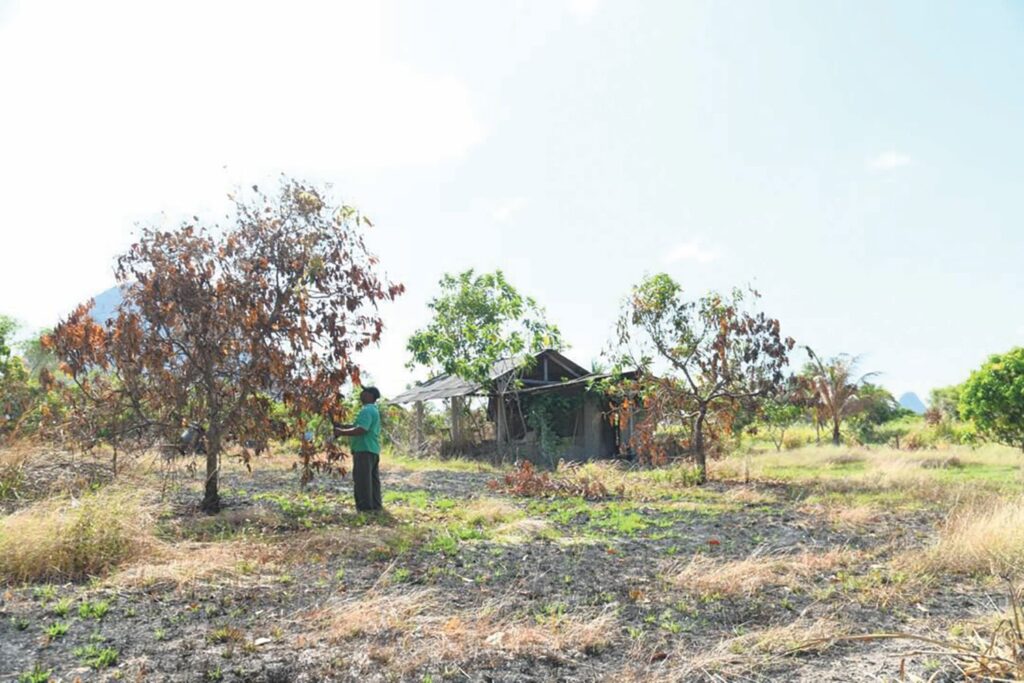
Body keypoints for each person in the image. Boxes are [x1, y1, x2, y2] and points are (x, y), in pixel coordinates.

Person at [335, 386, 383, 512]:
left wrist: (341, 432)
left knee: (362, 480)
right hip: (372, 449)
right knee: (372, 480)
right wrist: (343, 427)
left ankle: (365, 508)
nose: (361, 394)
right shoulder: (373, 410)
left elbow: (362, 429)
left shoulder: (366, 410)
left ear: (370, 396)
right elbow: (357, 426)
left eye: (364, 392)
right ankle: (375, 506)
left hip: (363, 449)